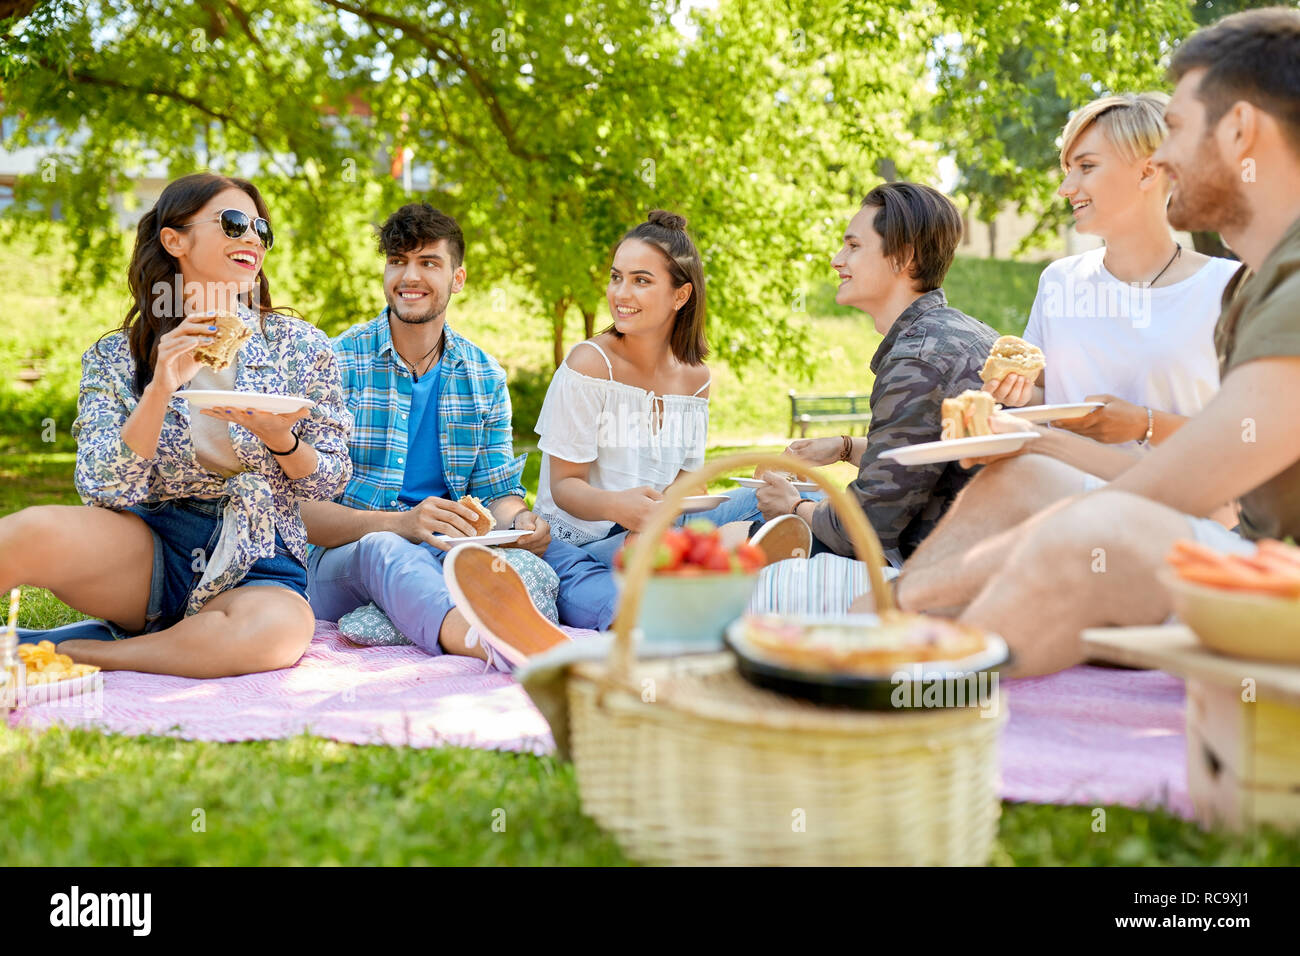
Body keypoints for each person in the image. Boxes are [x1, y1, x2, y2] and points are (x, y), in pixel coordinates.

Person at [896, 7, 1300, 676]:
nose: (1163, 155)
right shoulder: (1260, 280)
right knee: (1028, 477)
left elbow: (1180, 490)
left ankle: (903, 683)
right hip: (1239, 559)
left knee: (1096, 528)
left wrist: (1049, 441)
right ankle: (884, 637)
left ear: (1239, 129)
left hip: (1270, 578)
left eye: (1174, 128)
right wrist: (1030, 440)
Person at [1, 172, 353, 678]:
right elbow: (103, 489)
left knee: (275, 635)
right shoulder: (116, 356)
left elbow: (331, 479)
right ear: (175, 239)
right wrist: (160, 388)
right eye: (234, 223)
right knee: (32, 529)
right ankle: (158, 636)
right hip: (150, 548)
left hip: (261, 556)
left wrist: (282, 439)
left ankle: (65, 653)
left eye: (261, 228)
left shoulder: (300, 345)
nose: (253, 237)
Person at [300, 203, 617, 669]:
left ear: (458, 278)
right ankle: (489, 643)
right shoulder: (334, 362)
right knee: (385, 551)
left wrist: (520, 522)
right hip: (341, 560)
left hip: (447, 551)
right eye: (397, 261)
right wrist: (403, 524)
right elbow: (302, 513)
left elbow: (497, 494)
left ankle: (641, 629)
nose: (410, 276)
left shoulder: (484, 376)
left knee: (557, 554)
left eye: (428, 263)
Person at [744, 182, 1001, 568]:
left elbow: (865, 529)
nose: (836, 259)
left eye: (854, 246)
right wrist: (846, 447)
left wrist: (794, 505)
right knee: (734, 512)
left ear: (902, 258)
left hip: (938, 568)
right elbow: (924, 459)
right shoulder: (957, 333)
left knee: (734, 534)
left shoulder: (918, 359)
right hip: (974, 550)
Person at [988, 92, 1240, 448]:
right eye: (1067, 170)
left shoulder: (1230, 287)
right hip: (1066, 495)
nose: (1065, 188)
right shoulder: (1059, 281)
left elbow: (1255, 434)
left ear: (1148, 172)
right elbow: (1051, 399)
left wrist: (1146, 425)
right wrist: (1015, 393)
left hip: (1177, 498)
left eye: (1086, 167)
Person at [531, 209, 775, 566]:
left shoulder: (696, 380)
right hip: (584, 545)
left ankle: (721, 549)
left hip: (658, 528)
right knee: (653, 557)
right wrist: (619, 507)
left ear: (681, 296)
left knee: (770, 497)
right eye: (617, 277)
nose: (620, 293)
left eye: (641, 281)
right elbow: (564, 486)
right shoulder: (590, 365)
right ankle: (729, 551)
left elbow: (684, 486)